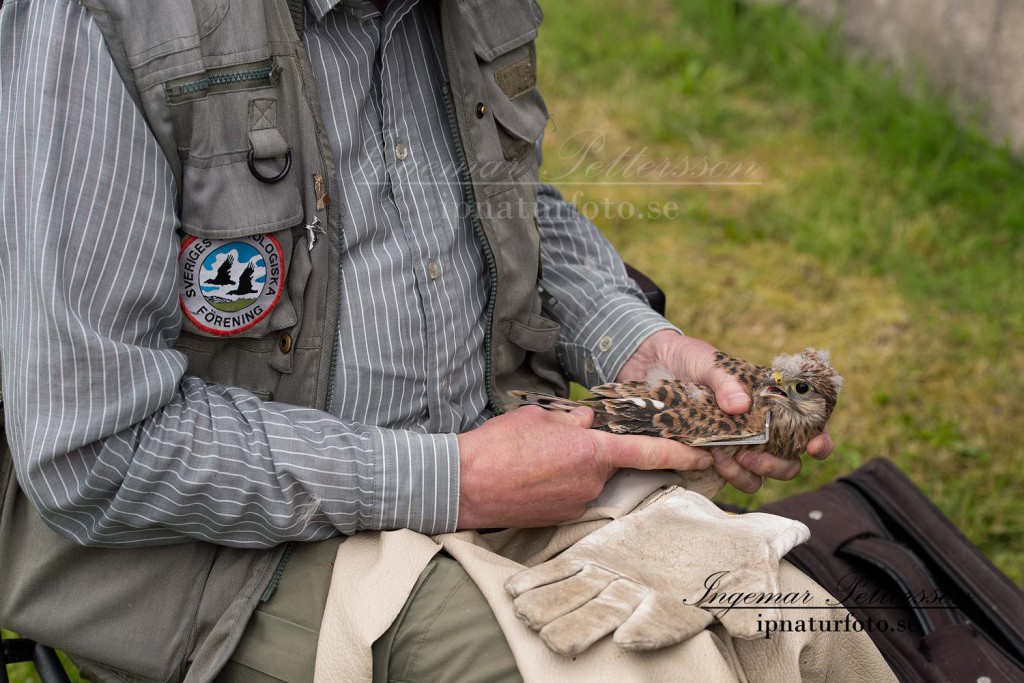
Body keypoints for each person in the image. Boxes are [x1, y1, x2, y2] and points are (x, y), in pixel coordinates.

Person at [0, 0, 833, 681]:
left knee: (803, 637)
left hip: (487, 462)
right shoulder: (102, 22)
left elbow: (503, 197)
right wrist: (456, 480)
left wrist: (631, 341)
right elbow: (95, 449)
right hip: (219, 553)